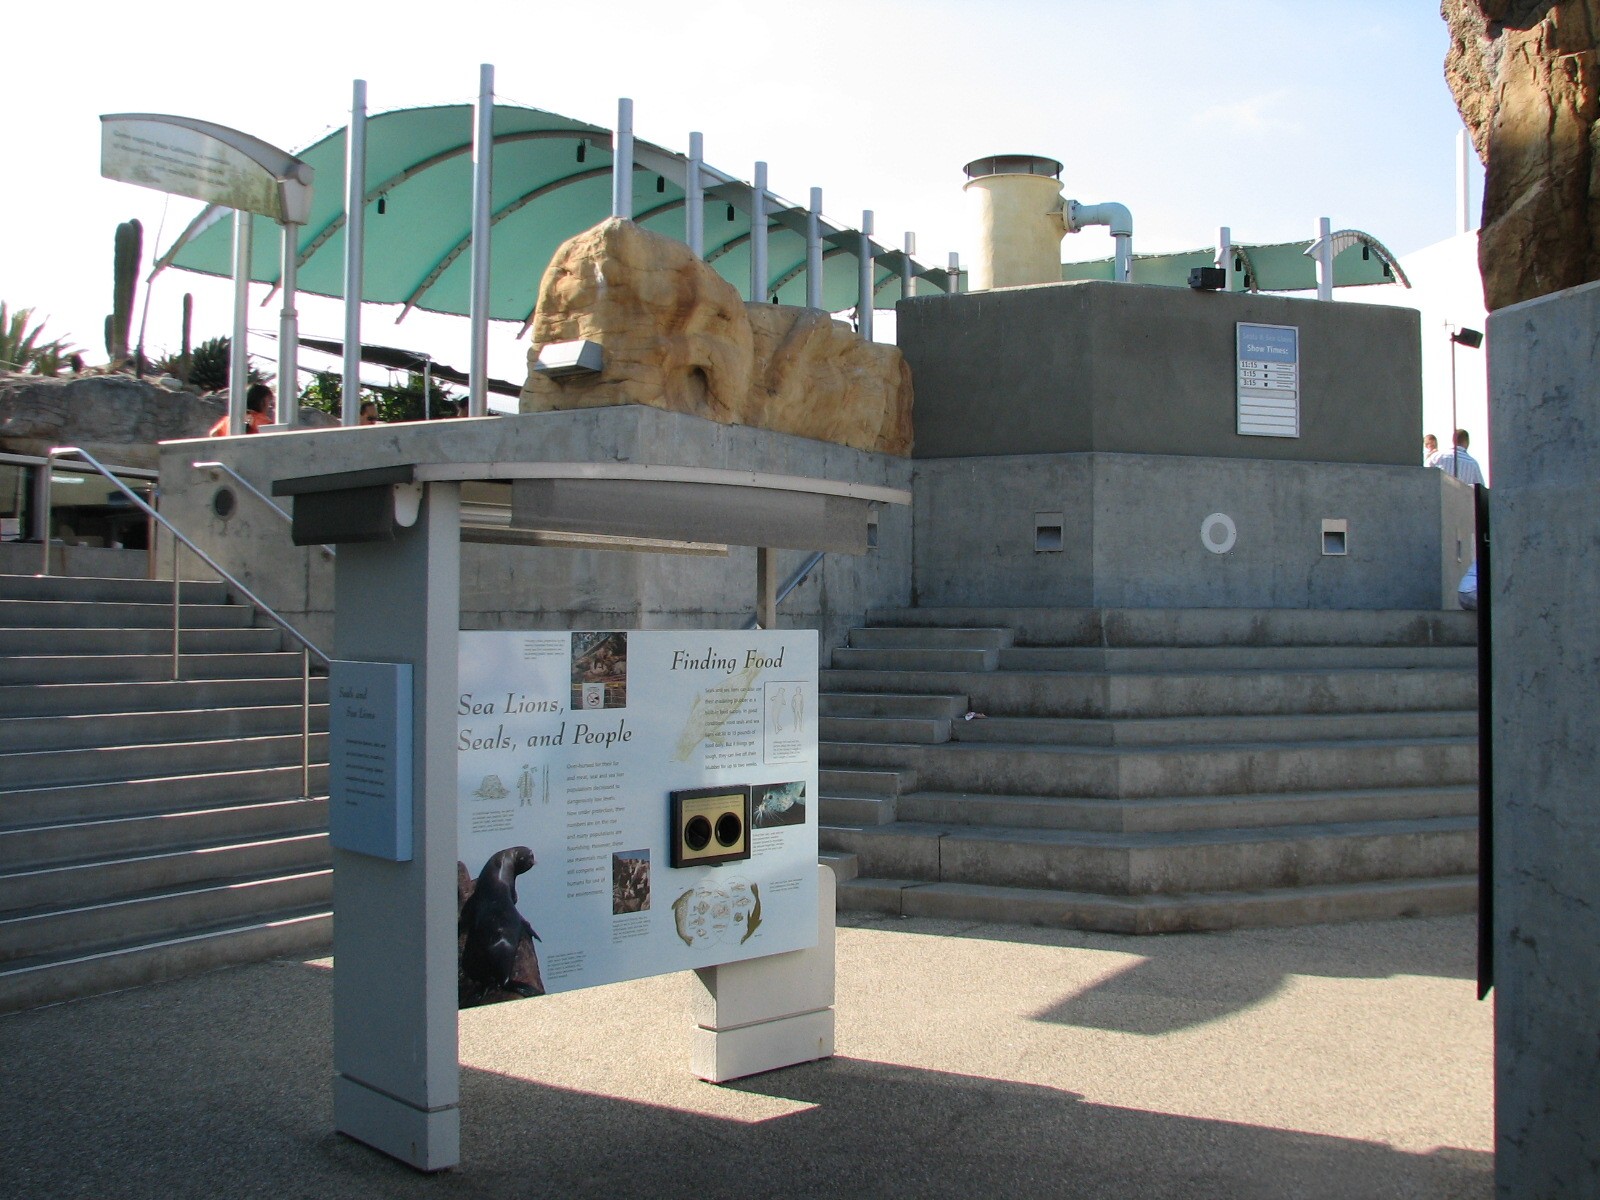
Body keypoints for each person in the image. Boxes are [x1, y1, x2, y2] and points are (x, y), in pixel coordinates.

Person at [208, 383, 275, 437]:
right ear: (263, 402)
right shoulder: (261, 419)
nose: (269, 406)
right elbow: (274, 436)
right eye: (269, 402)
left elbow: (213, 433)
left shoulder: (229, 419)